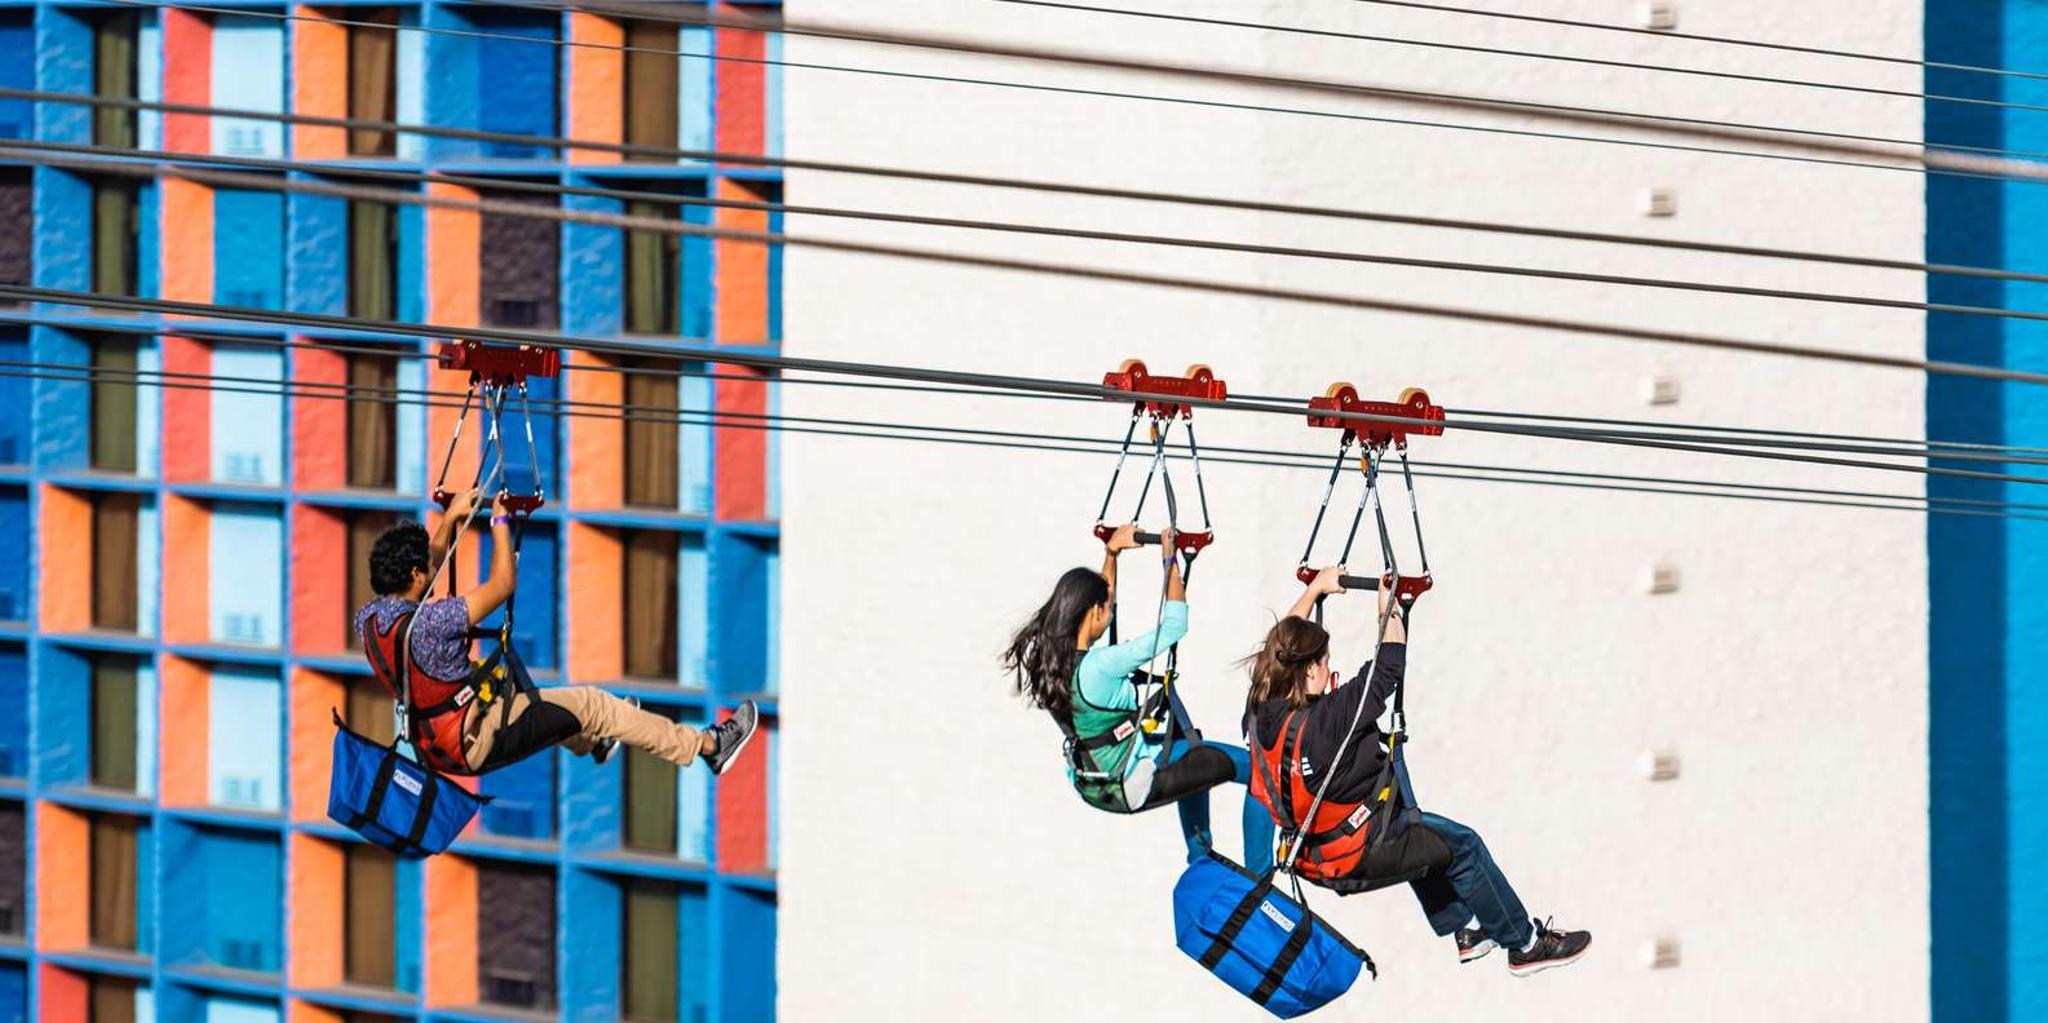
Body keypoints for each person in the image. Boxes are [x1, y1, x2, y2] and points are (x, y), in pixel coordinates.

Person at [1243, 567, 1590, 977]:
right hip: (1356, 854)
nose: (1328, 668)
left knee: (1420, 833)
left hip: (1311, 857)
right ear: (1311, 671)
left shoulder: (1262, 712)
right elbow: (1389, 665)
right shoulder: (1333, 718)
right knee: (1464, 847)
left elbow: (1276, 650)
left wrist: (1317, 588)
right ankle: (1525, 945)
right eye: (1325, 662)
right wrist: (1388, 609)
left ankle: (1466, 930)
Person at [353, 488, 759, 778]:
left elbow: (429, 568)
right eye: (425, 565)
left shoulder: (370, 620)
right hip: (474, 738)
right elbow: (500, 586)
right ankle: (708, 747)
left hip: (434, 744)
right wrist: (498, 523)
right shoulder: (432, 622)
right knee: (595, 705)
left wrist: (452, 518)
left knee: (505, 681)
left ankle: (592, 742)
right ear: (415, 574)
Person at [1003, 524, 1274, 873]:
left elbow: (1101, 599)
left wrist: (1111, 554)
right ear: (1093, 612)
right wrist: (1169, 559)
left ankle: (1203, 862)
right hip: (1133, 780)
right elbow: (1174, 625)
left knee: (1194, 753)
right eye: (1107, 607)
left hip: (1096, 784)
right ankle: (1260, 880)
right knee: (1262, 770)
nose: (1111, 610)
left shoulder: (1052, 664)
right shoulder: (1100, 665)